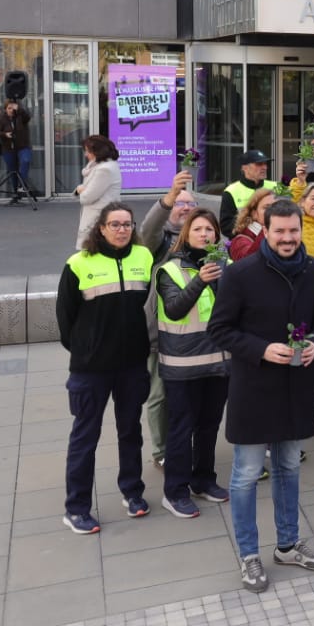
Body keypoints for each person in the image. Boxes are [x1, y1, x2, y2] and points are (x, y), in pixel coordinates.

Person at [206, 200, 314, 593]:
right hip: (255, 387)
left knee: (289, 467)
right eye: (280, 231)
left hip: (296, 388)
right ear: (265, 229)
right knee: (244, 475)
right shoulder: (240, 274)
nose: (288, 238)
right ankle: (248, 555)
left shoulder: (311, 269)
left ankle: (288, 545)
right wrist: (261, 349)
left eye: (294, 231)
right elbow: (219, 329)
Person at [56, 202, 153, 535]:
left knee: (131, 433)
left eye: (127, 224)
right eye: (115, 224)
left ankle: (132, 492)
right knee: (85, 438)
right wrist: (87, 348)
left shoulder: (144, 257)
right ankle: (77, 508)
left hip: (132, 366)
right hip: (91, 370)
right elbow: (65, 319)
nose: (122, 229)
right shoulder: (79, 263)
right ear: (101, 228)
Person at [153, 208, 229, 519]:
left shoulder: (227, 265)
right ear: (186, 234)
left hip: (218, 362)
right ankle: (175, 491)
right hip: (182, 364)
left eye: (209, 230)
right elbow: (173, 309)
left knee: (209, 426)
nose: (204, 234)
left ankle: (203, 479)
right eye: (198, 229)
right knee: (181, 430)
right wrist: (200, 280)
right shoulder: (169, 270)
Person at [139, 170, 200, 468]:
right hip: (160, 332)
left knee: (195, 393)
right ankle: (162, 451)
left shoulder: (204, 241)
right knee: (160, 394)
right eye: (180, 203)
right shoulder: (157, 241)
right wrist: (169, 195)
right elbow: (146, 230)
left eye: (190, 203)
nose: (184, 207)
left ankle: (190, 442)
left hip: (197, 334)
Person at [74, 136, 123, 249]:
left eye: (88, 151)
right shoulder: (100, 166)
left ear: (97, 151)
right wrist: (81, 189)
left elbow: (87, 197)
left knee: (95, 250)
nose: (86, 154)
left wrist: (81, 190)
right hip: (101, 215)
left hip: (99, 217)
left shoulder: (104, 170)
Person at [219, 150, 282, 237]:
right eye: (259, 164)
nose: (265, 167)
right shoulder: (231, 191)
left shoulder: (276, 187)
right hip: (246, 243)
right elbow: (226, 227)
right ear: (244, 168)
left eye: (265, 164)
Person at [0, 98, 33, 203]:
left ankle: (21, 187)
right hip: (8, 149)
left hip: (23, 146)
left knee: (25, 160)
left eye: (13, 108)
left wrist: (19, 109)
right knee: (13, 171)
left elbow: (27, 117)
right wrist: (5, 134)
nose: (11, 110)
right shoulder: (2, 119)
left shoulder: (21, 116)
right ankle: (16, 194)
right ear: (5, 109)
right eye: (9, 108)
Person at [227, 187, 278, 262]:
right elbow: (248, 265)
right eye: (267, 207)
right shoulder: (239, 241)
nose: (273, 211)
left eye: (276, 207)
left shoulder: (280, 235)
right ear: (254, 214)